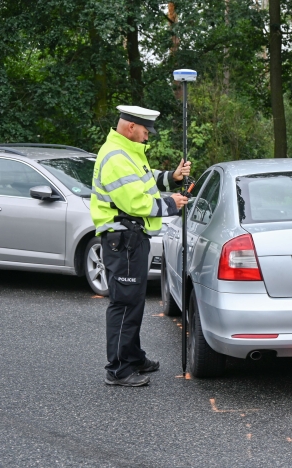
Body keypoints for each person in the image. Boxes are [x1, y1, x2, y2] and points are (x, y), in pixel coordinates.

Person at [91, 105, 191, 387]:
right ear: (131, 127)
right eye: (146, 131)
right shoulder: (115, 157)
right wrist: (171, 203)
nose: (148, 137)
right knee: (124, 303)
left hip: (132, 239)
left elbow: (145, 179)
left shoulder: (128, 152)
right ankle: (119, 369)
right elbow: (135, 203)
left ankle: (133, 357)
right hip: (123, 239)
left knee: (133, 301)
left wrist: (171, 177)